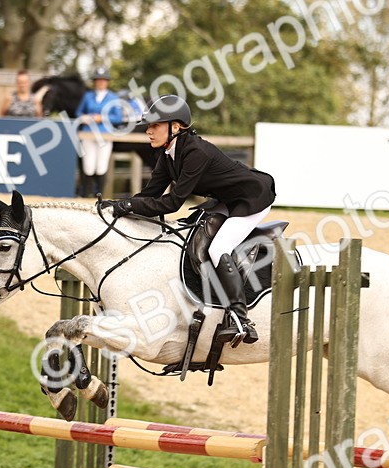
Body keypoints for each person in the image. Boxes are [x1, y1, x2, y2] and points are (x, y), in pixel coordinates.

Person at [106, 95, 276, 345]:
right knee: (192, 227)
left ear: (175, 127)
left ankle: (241, 318)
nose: (148, 131)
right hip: (227, 198)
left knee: (218, 248)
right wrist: (116, 206)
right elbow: (150, 195)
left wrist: (128, 204)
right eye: (148, 126)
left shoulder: (195, 151)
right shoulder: (167, 154)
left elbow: (173, 203)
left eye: (154, 125)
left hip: (253, 197)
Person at [74, 67, 126, 198]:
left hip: (105, 134)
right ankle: (85, 195)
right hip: (89, 133)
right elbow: (79, 112)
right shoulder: (88, 96)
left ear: (107, 82)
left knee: (101, 165)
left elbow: (118, 118)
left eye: (103, 80)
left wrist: (102, 118)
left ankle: (99, 195)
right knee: (88, 165)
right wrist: (84, 117)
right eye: (98, 80)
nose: (101, 83)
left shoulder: (113, 97)